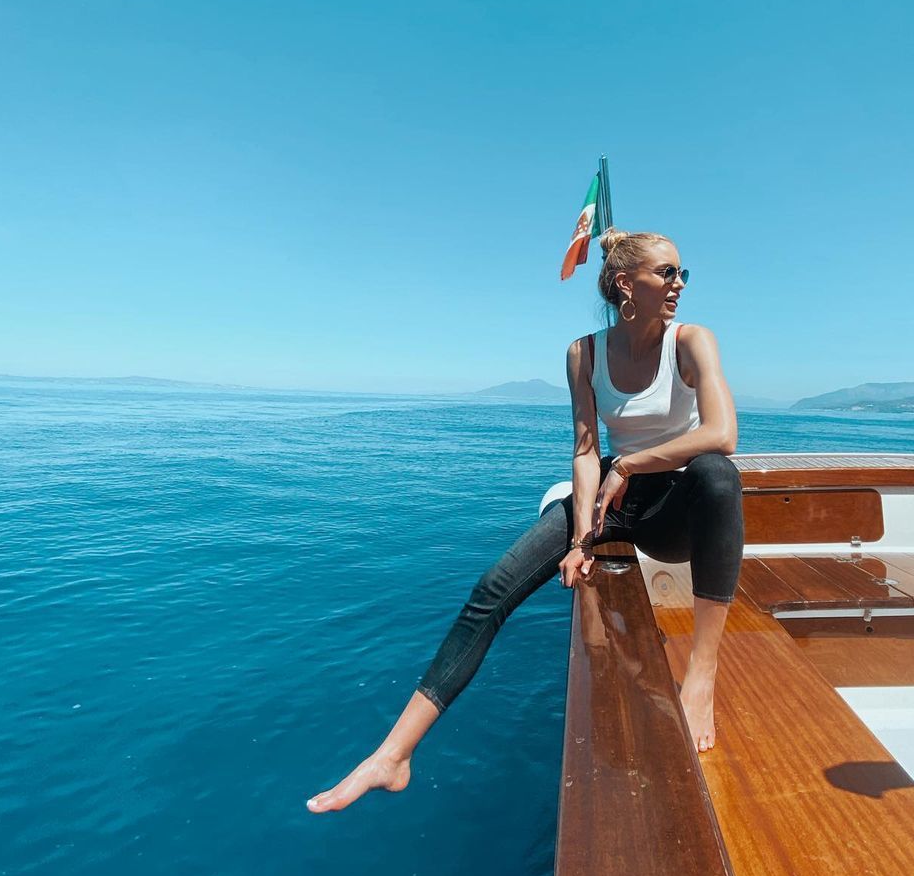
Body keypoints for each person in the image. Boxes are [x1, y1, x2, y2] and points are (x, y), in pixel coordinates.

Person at [307, 228, 743, 814]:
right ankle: (393, 755)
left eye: (682, 273)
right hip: (610, 499)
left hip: (674, 506)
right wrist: (583, 538)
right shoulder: (584, 353)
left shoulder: (692, 341)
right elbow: (585, 451)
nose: (679, 284)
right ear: (625, 284)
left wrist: (630, 464)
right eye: (667, 273)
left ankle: (702, 677)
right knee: (493, 587)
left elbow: (722, 434)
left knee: (718, 475)